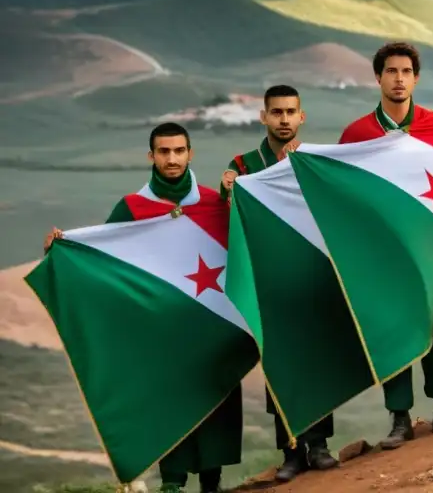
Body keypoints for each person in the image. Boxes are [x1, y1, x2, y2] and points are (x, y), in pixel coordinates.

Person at [45, 123, 241, 493]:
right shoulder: (133, 207)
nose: (172, 158)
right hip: (161, 334)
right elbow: (104, 257)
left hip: (212, 327)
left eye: (179, 151)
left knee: (216, 402)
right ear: (151, 156)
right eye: (164, 152)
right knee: (169, 402)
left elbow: (245, 247)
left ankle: (212, 483)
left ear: (190, 154)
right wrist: (62, 250)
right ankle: (173, 482)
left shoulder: (214, 204)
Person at [338, 42, 433, 450]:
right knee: (393, 327)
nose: (398, 78)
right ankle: (399, 418)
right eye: (390, 71)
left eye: (406, 71)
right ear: (377, 78)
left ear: (416, 77)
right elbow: (340, 193)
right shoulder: (357, 135)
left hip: (429, 249)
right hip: (382, 256)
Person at [219, 85, 338, 482]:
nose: (284, 119)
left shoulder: (313, 160)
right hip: (265, 282)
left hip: (310, 276)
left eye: (290, 112)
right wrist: (228, 189)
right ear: (263, 117)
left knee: (319, 361)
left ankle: (319, 445)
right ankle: (291, 450)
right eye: (276, 112)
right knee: (279, 366)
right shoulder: (244, 165)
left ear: (302, 116)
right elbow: (229, 217)